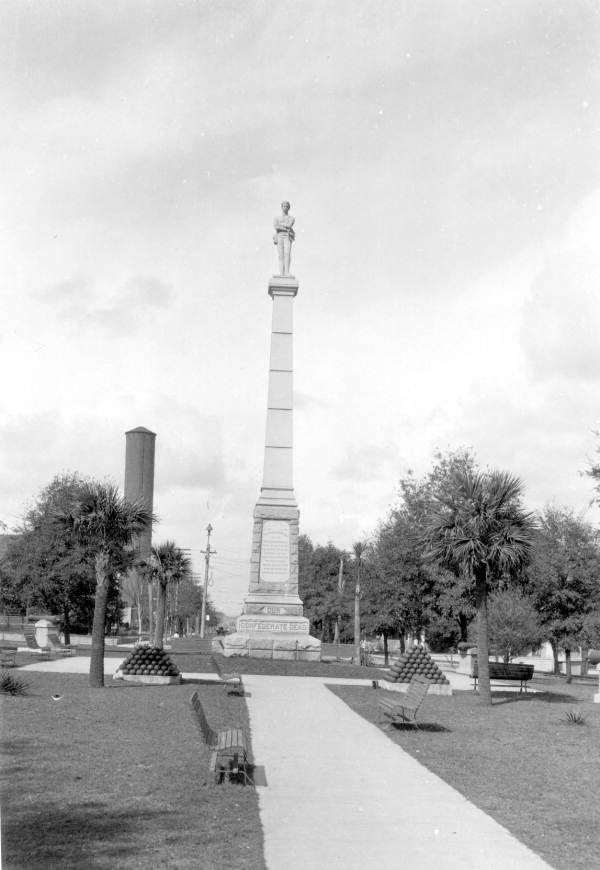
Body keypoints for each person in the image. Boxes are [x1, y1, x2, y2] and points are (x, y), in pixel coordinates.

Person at [273, 201, 295, 276]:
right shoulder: (277, 217)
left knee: (287, 253)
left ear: (289, 208)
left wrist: (281, 226)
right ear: (281, 207)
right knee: (280, 255)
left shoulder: (291, 218)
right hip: (279, 236)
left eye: (286, 206)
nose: (285, 207)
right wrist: (285, 227)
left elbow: (289, 225)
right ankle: (281, 273)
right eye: (283, 206)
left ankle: (287, 272)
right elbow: (276, 226)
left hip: (287, 236)